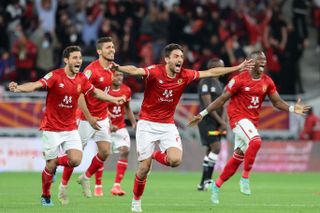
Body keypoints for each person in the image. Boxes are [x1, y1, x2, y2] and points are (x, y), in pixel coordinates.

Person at [111, 43, 254, 212]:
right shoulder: (156, 71)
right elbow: (135, 70)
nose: (180, 59)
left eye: (181, 56)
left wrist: (238, 67)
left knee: (175, 160)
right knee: (143, 170)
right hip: (147, 124)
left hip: (167, 124)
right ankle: (136, 201)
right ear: (167, 59)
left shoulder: (185, 75)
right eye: (176, 56)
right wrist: (119, 67)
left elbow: (210, 72)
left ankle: (155, 155)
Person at [8, 45, 125, 206]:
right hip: (52, 127)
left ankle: (54, 164)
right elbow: (36, 85)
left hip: (70, 127)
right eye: (75, 58)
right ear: (66, 60)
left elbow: (96, 92)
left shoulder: (82, 79)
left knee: (76, 160)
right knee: (50, 165)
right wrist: (19, 88)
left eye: (80, 58)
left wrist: (113, 99)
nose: (79, 61)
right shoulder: (55, 76)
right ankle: (46, 195)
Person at [188, 51, 310, 205]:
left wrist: (293, 109)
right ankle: (245, 178)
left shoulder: (267, 81)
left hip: (251, 122)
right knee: (256, 141)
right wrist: (203, 113)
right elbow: (221, 99)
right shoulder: (238, 80)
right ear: (251, 62)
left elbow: (277, 102)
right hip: (238, 119)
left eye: (265, 60)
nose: (264, 62)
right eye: (261, 60)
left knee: (238, 157)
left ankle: (216, 186)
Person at [58, 37, 119, 201]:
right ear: (99, 51)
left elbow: (103, 93)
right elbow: (79, 94)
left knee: (105, 151)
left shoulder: (112, 69)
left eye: (112, 47)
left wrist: (109, 113)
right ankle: (63, 187)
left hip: (102, 117)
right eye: (108, 47)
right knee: (74, 157)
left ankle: (85, 177)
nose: (112, 49)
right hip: (85, 119)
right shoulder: (91, 71)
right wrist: (90, 117)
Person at [196, 58, 227, 191]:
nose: (224, 69)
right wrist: (221, 122)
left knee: (210, 150)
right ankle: (207, 180)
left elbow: (224, 104)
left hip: (217, 123)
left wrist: (223, 122)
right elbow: (208, 106)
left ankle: (203, 183)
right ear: (213, 68)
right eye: (221, 67)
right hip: (207, 122)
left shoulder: (220, 84)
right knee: (216, 148)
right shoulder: (205, 82)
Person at [107, 71, 137, 196]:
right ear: (110, 76)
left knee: (125, 150)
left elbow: (127, 108)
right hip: (105, 127)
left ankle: (116, 185)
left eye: (121, 75)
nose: (119, 78)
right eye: (116, 75)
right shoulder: (105, 91)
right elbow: (100, 108)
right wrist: (108, 124)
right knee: (102, 154)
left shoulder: (126, 90)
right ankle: (97, 186)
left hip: (120, 127)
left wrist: (134, 123)